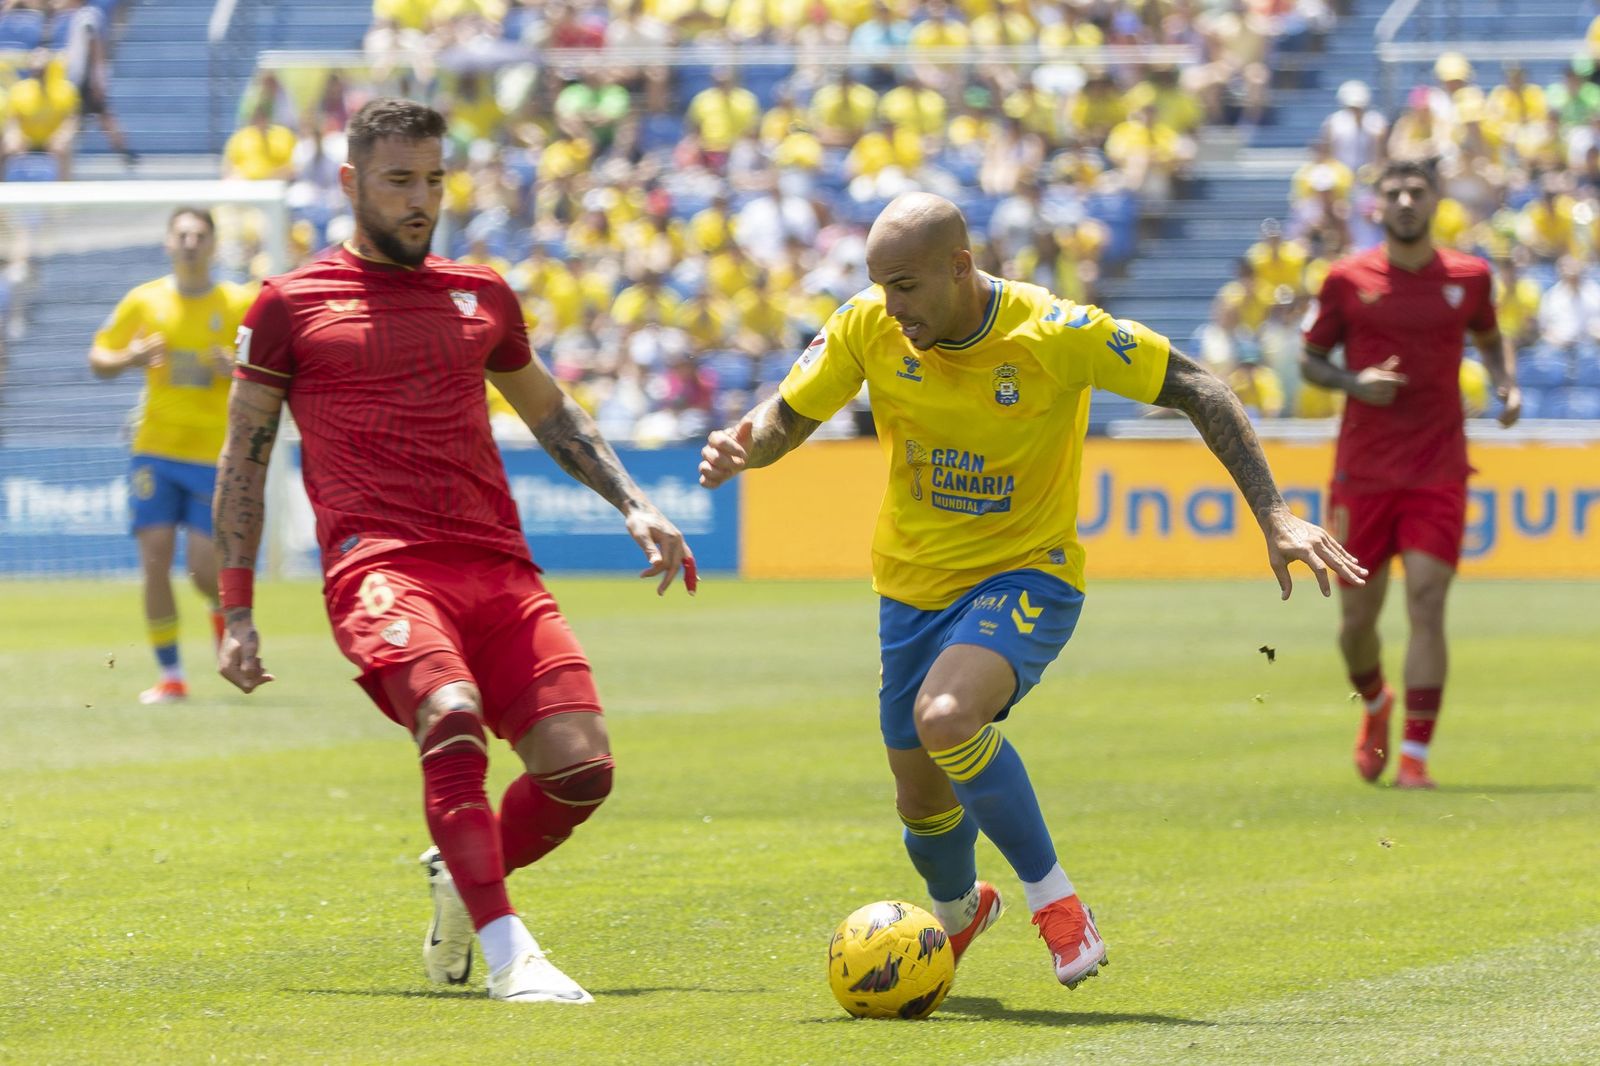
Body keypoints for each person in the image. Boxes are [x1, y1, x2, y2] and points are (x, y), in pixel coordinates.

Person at [698, 192, 1364, 991]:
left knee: (946, 716)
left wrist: (1275, 514)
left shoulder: (1055, 333)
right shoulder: (865, 326)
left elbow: (1199, 386)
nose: (891, 306)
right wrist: (748, 445)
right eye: (881, 286)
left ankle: (1056, 902)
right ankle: (955, 914)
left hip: (1028, 571)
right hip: (910, 585)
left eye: (905, 286)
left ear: (960, 266)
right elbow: (790, 415)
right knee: (919, 799)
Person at [212, 99, 696, 1004]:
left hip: (496, 563)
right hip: (381, 565)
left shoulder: (482, 295)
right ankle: (513, 955)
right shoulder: (289, 304)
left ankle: (461, 876)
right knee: (451, 710)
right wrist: (235, 609)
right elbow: (245, 454)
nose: (421, 200)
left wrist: (635, 503)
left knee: (583, 767)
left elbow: (550, 410)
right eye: (399, 181)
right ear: (352, 183)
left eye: (433, 180)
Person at [1302, 159, 1521, 791]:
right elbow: (1313, 362)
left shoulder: (1470, 276)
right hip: (1363, 474)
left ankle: (1416, 760)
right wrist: (1352, 382)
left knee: (1428, 602)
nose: (1404, 201)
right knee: (1356, 625)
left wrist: (1505, 385)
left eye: (1415, 192)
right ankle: (1375, 704)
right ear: (1378, 204)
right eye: (1393, 192)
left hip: (1438, 467)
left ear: (1435, 201)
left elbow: (1490, 335)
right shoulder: (1346, 279)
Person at [88, 207, 254, 704]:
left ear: (213, 245)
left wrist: (239, 367)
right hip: (154, 451)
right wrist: (131, 357)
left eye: (198, 235)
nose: (189, 242)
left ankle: (222, 627)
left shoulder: (239, 302)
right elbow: (99, 358)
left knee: (205, 571)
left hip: (212, 456)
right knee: (154, 563)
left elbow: (271, 363)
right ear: (167, 243)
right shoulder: (145, 301)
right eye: (181, 234)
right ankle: (171, 677)